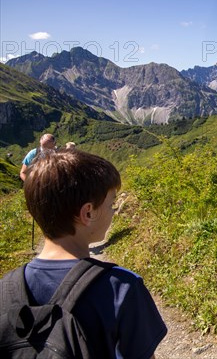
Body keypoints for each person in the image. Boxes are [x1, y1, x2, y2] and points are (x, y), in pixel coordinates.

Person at [10, 149, 167, 358]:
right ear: (88, 213)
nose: (113, 211)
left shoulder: (5, 289)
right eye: (111, 204)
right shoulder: (122, 288)